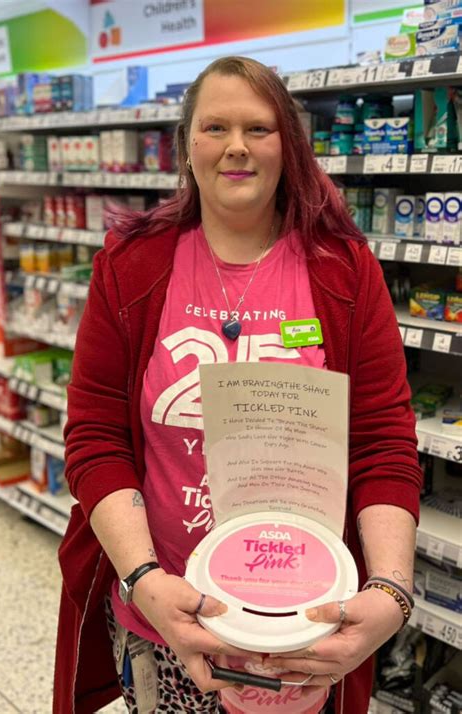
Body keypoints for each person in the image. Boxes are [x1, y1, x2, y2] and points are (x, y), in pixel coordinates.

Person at [54, 56, 422, 714]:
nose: (235, 148)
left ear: (290, 144)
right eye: (215, 127)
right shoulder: (131, 267)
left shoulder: (344, 271)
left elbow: (380, 442)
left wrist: (391, 591)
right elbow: (96, 437)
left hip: (306, 627)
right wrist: (142, 581)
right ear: (185, 145)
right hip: (170, 616)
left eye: (258, 128)